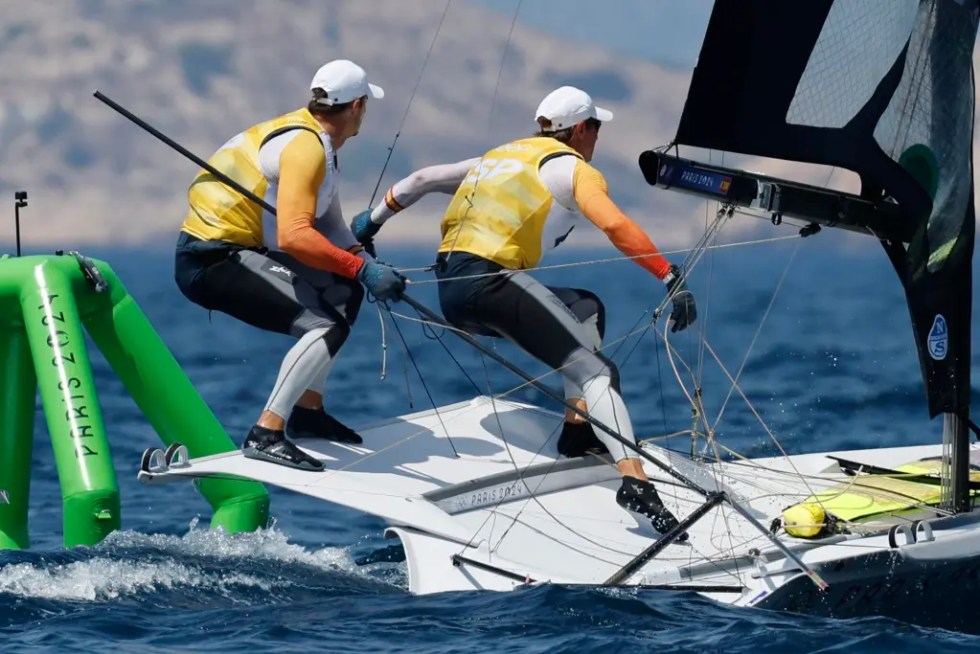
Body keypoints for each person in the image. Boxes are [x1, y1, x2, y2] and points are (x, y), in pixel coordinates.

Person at [349, 86, 697, 537]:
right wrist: (670, 276)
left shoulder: (499, 157)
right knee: (599, 374)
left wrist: (372, 222)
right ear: (579, 129)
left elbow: (420, 181)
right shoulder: (572, 168)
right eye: (595, 128)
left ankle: (577, 432)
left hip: (452, 290)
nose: (597, 139)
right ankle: (635, 481)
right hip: (490, 283)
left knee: (586, 308)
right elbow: (614, 224)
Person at [174, 59, 406, 472]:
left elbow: (331, 225)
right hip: (210, 258)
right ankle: (266, 431)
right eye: (366, 104)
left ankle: (308, 413)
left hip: (239, 248)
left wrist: (363, 265)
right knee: (325, 323)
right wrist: (364, 270)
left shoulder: (320, 145)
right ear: (355, 106)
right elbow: (295, 237)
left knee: (343, 290)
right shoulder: (306, 148)